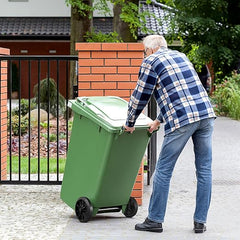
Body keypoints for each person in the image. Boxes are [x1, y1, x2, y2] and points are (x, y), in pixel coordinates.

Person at [124, 35, 216, 234]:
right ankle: (200, 222)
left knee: (164, 169)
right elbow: (178, 93)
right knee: (205, 170)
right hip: (206, 115)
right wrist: (158, 120)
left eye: (143, 51)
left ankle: (154, 220)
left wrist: (129, 122)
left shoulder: (151, 61)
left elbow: (141, 95)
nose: (143, 55)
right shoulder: (181, 56)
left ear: (150, 49)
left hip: (183, 119)